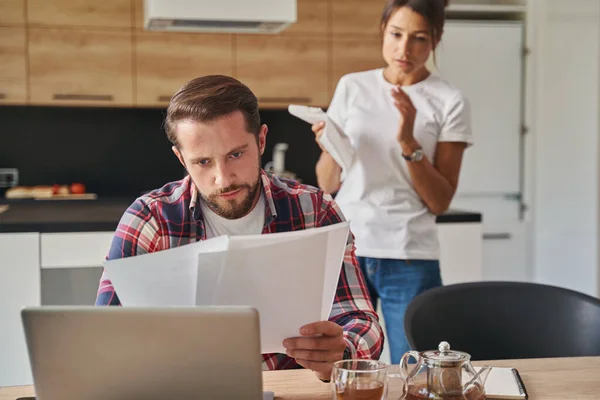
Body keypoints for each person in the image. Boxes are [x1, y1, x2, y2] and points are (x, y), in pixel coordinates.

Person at [95, 75, 383, 381]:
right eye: (203, 162)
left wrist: (345, 351)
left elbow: (361, 319)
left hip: (292, 388)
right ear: (181, 158)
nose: (224, 178)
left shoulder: (315, 210)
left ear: (260, 140)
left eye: (235, 154)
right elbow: (105, 334)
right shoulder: (149, 219)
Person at [312, 0, 472, 363]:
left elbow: (440, 201)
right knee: (342, 365)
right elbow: (327, 183)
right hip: (349, 248)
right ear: (383, 31)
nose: (404, 49)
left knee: (414, 366)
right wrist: (329, 146)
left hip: (409, 253)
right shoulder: (352, 87)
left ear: (436, 39)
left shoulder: (449, 100)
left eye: (418, 38)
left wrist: (408, 142)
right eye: (396, 34)